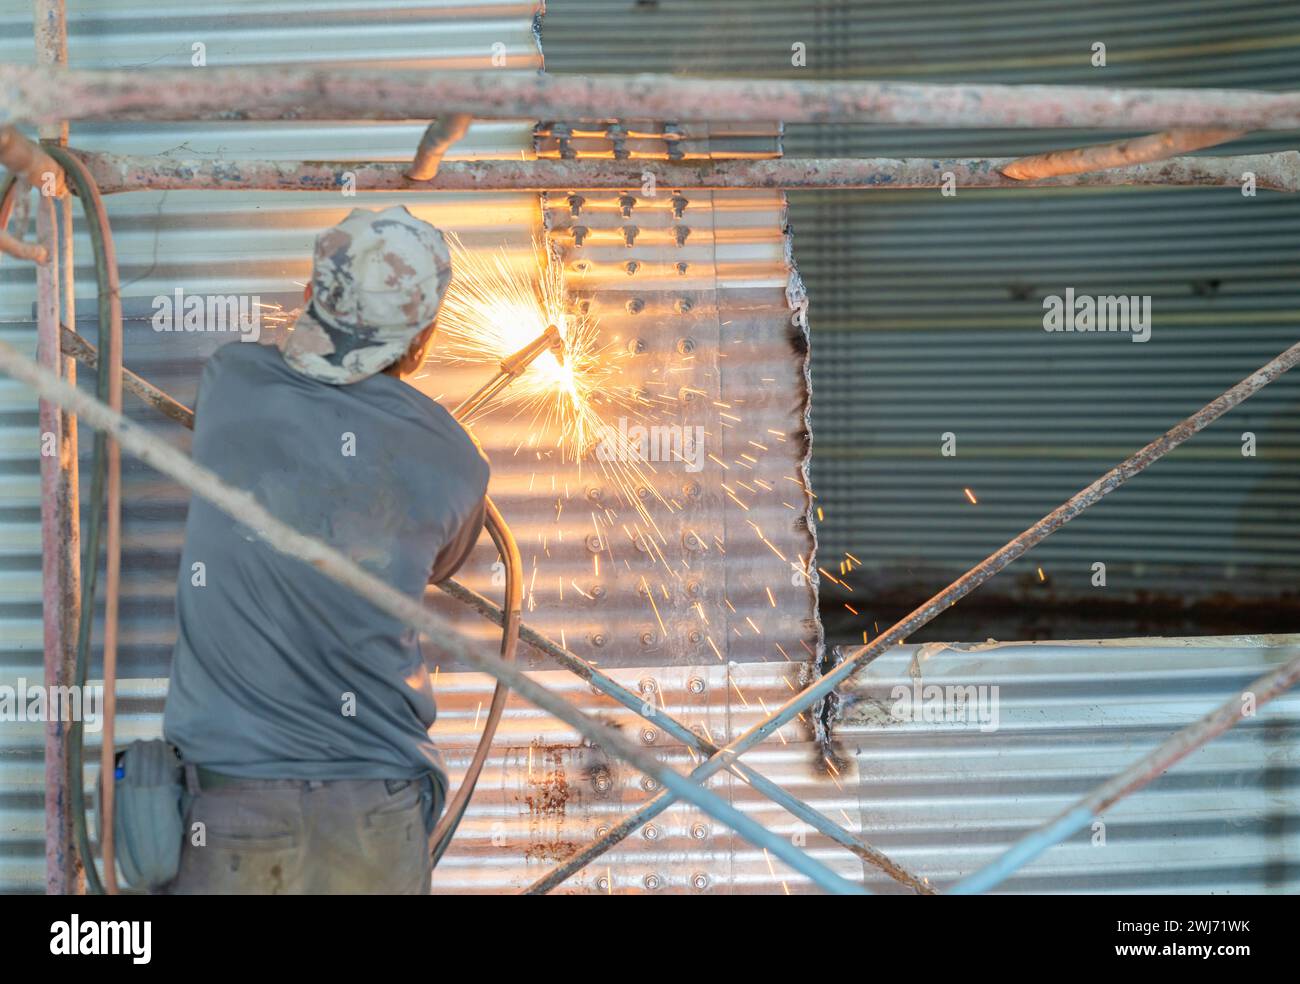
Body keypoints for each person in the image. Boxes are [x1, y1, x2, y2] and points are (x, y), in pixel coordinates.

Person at [159, 206, 489, 894]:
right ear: (424, 336)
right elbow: (441, 566)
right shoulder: (458, 460)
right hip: (378, 810)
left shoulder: (232, 383)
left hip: (234, 807)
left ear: (310, 295)